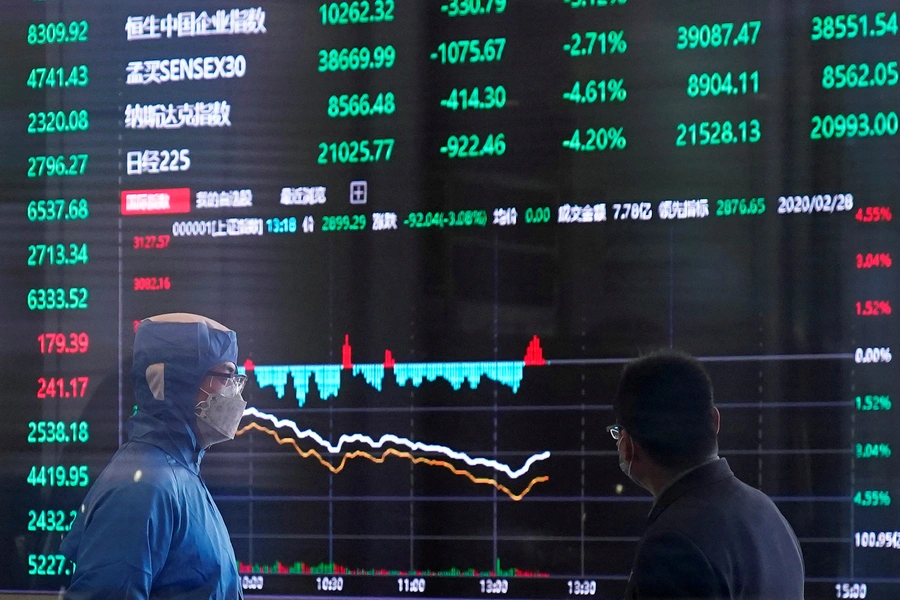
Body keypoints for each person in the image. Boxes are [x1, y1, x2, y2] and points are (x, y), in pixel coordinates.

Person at [61, 313, 248, 599]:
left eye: (235, 379)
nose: (234, 394)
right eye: (224, 377)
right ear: (175, 382)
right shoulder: (143, 488)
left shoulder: (180, 474)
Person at [610, 351, 804, 600]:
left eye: (618, 434)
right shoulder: (769, 516)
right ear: (714, 420)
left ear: (628, 446)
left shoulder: (672, 546)